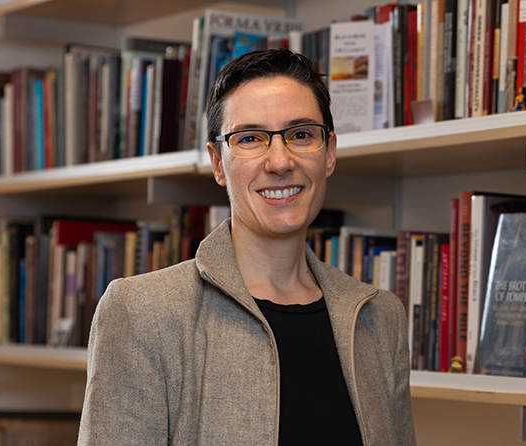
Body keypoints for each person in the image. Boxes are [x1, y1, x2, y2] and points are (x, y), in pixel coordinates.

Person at [78, 49, 416, 445]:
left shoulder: (379, 320)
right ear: (218, 163)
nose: (280, 161)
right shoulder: (142, 312)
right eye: (251, 138)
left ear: (329, 153)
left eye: (301, 134)